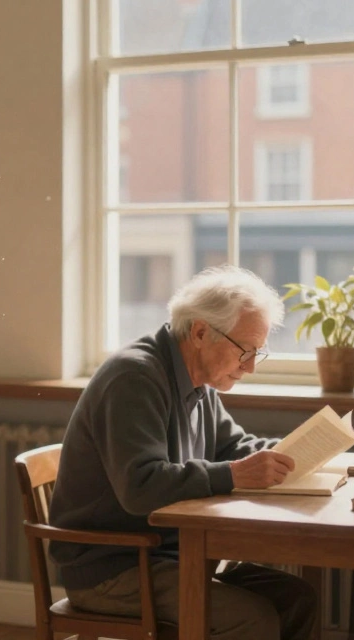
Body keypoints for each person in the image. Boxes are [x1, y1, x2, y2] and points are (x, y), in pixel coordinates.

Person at [48, 265, 317, 640]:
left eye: (259, 353)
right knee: (253, 618)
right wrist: (236, 474)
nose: (251, 366)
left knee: (298, 598)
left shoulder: (200, 380)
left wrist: (294, 454)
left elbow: (233, 447)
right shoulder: (134, 378)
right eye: (245, 351)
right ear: (201, 332)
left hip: (175, 555)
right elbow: (140, 487)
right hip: (117, 566)